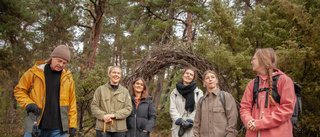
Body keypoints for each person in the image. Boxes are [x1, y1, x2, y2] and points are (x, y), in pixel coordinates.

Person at [14, 45, 77, 137]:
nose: (61, 65)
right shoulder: (34, 72)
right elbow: (19, 90)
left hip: (58, 130)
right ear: (52, 57)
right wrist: (28, 103)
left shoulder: (67, 77)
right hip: (35, 126)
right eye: (59, 61)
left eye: (64, 63)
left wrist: (72, 125)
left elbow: (72, 102)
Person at [240, 48, 296, 137]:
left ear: (263, 59)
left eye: (253, 59)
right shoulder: (252, 84)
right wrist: (249, 121)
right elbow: (244, 107)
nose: (251, 62)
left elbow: (287, 109)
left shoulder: (284, 81)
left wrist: (260, 124)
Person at [193, 70, 238, 137]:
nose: (210, 79)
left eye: (212, 77)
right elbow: (197, 123)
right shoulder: (201, 101)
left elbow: (232, 120)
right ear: (204, 82)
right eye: (207, 78)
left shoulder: (225, 96)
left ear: (217, 80)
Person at [91, 66, 132, 137]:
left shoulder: (125, 91)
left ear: (121, 76)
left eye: (118, 73)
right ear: (109, 74)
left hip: (119, 130)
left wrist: (114, 115)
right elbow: (94, 106)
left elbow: (128, 109)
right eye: (114, 72)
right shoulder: (100, 90)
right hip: (103, 128)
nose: (116, 75)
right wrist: (103, 116)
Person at [169, 67, 203, 137]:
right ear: (183, 75)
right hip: (177, 128)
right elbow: (172, 109)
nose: (188, 75)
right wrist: (181, 121)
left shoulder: (198, 92)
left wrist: (189, 121)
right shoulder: (174, 92)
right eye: (187, 73)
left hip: (192, 128)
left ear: (193, 78)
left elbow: (199, 109)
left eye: (191, 75)